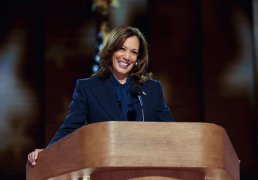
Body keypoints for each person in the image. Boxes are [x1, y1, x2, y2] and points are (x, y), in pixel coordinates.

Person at [27, 26, 174, 166]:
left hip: (146, 169)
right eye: (122, 49)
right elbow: (69, 128)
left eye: (133, 52)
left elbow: (171, 132)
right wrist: (48, 152)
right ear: (111, 50)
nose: (127, 57)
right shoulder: (88, 88)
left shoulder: (152, 89)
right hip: (106, 170)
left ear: (138, 59)